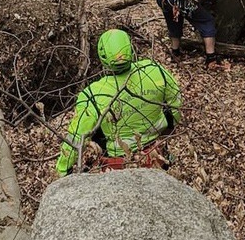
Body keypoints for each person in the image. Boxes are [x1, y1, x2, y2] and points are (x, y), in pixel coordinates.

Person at [56, 29, 182, 176]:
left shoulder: (92, 94)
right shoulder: (154, 70)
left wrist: (63, 169)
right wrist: (170, 127)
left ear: (102, 56)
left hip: (119, 165)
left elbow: (77, 137)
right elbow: (176, 102)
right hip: (157, 150)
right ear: (131, 49)